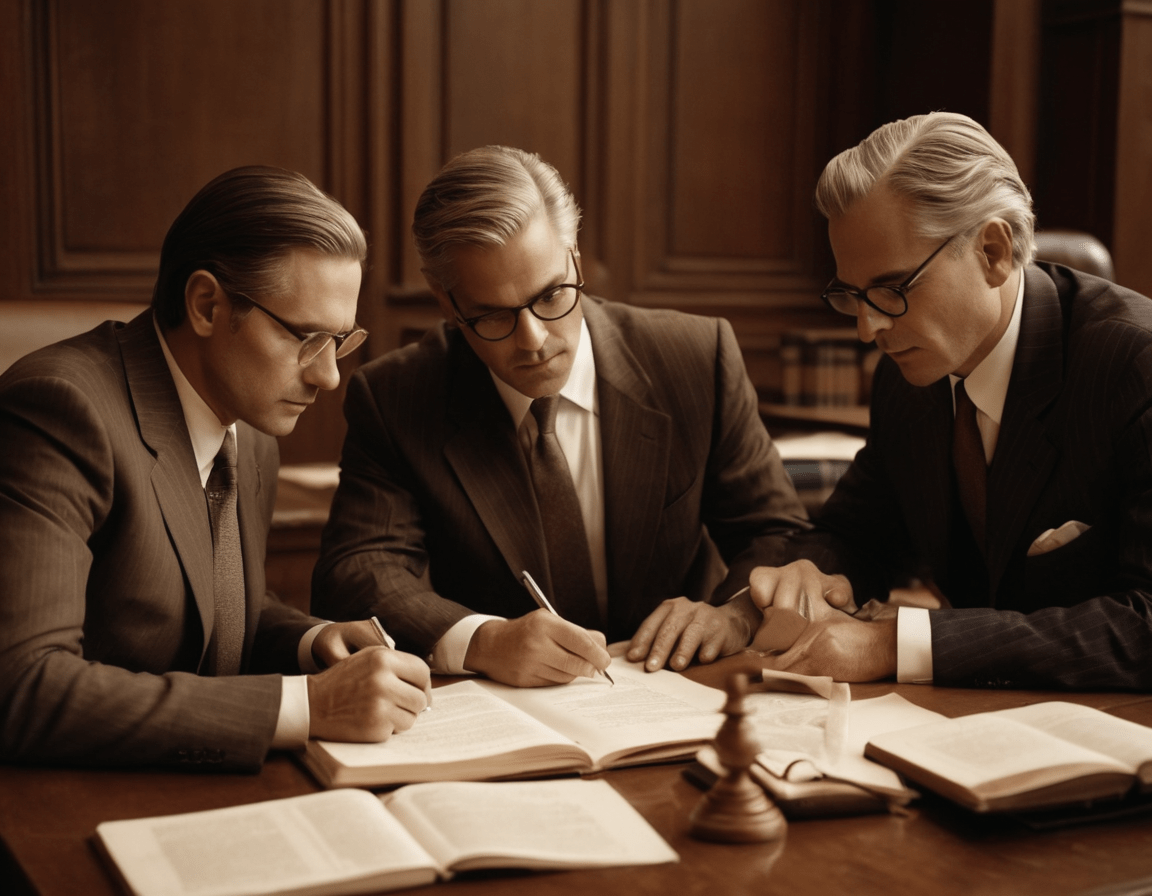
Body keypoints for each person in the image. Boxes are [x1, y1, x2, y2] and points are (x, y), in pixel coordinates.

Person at [312, 145, 808, 687]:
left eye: (551, 295)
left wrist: (733, 614)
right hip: (513, 713)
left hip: (689, 689)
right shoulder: (398, 396)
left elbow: (776, 531)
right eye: (493, 316)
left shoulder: (694, 359)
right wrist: (482, 639)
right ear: (447, 303)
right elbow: (357, 572)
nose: (534, 340)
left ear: (574, 256)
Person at [0, 166, 431, 770]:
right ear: (206, 305)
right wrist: (309, 706)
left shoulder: (249, 432)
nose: (329, 375)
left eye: (341, 341)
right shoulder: (62, 410)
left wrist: (311, 642)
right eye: (307, 338)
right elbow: (24, 687)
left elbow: (208, 609)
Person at [746, 112, 1152, 690]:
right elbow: (861, 534)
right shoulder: (909, 376)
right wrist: (806, 576)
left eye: (891, 290)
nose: (867, 329)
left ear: (993, 251)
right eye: (852, 295)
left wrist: (900, 642)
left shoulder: (1135, 366)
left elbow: (1146, 625)